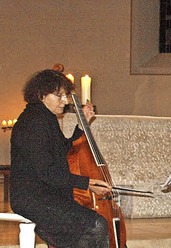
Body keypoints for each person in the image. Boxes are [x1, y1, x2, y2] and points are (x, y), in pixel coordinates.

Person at [10, 69, 112, 248]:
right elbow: (47, 172)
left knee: (94, 226)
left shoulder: (45, 118)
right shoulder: (32, 123)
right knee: (96, 226)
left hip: (47, 194)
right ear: (42, 95)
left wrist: (81, 126)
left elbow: (63, 150)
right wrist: (86, 183)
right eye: (60, 96)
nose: (65, 102)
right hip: (32, 198)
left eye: (65, 96)